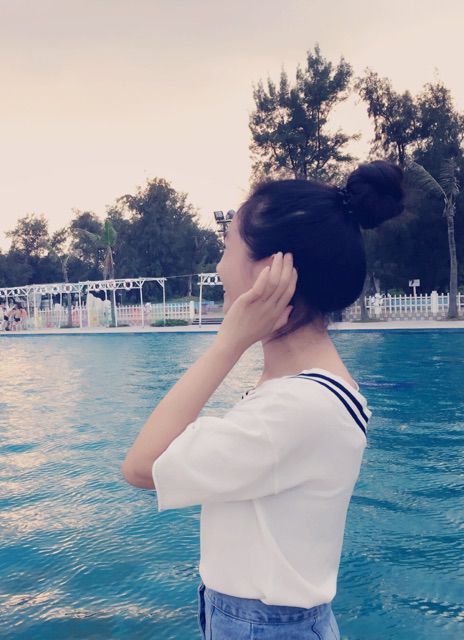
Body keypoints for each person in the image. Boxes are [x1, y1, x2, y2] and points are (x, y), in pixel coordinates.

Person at [122, 161, 404, 639]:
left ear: (270, 270)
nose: (218, 267)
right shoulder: (300, 391)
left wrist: (228, 343)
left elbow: (142, 466)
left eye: (226, 247)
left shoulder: (298, 408)